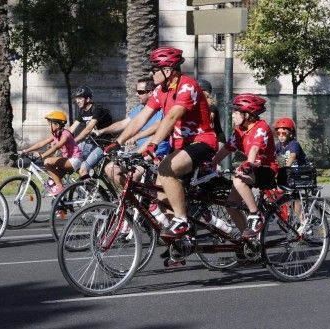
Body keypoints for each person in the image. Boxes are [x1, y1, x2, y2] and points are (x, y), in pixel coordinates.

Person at [105, 46, 218, 239]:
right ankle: (182, 242)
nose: (152, 73)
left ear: (168, 70)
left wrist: (153, 144)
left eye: (155, 69)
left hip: (202, 142)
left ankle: (182, 221)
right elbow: (140, 119)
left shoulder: (187, 86)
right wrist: (117, 142)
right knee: (162, 197)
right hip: (180, 146)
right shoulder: (160, 91)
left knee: (166, 170)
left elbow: (172, 117)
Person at [210, 93, 278, 238]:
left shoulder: (261, 127)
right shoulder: (240, 131)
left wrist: (248, 164)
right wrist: (212, 164)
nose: (232, 115)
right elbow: (227, 149)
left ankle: (256, 215)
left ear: (247, 114)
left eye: (235, 112)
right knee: (231, 205)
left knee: (239, 178)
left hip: (266, 170)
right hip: (252, 169)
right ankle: (248, 241)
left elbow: (254, 148)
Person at [97, 77, 170, 187]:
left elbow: (158, 127)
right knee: (109, 169)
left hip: (155, 151)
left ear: (151, 93)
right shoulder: (139, 109)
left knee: (134, 174)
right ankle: (129, 198)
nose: (136, 95)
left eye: (140, 92)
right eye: (136, 91)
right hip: (138, 152)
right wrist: (101, 131)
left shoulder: (161, 109)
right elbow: (123, 124)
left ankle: (134, 200)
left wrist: (136, 137)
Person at [21, 110, 82, 196]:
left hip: (74, 160)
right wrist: (26, 150)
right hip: (67, 159)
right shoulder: (56, 134)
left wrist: (42, 155)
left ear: (57, 125)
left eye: (50, 124)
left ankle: (60, 187)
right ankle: (61, 201)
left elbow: (56, 147)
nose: (48, 126)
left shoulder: (65, 134)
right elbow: (41, 143)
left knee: (48, 162)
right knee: (51, 178)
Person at [68, 86, 113, 179]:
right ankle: (87, 177)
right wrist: (58, 140)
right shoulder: (82, 112)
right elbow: (71, 129)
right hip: (91, 142)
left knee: (83, 170)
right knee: (68, 160)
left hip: (102, 144)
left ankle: (91, 190)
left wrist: (72, 141)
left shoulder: (97, 109)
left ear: (88, 99)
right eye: (76, 98)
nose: (77, 101)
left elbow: (88, 129)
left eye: (80, 98)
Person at [197, 79, 226, 146]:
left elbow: (209, 120)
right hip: (205, 140)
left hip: (217, 140)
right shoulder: (199, 106)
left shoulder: (211, 107)